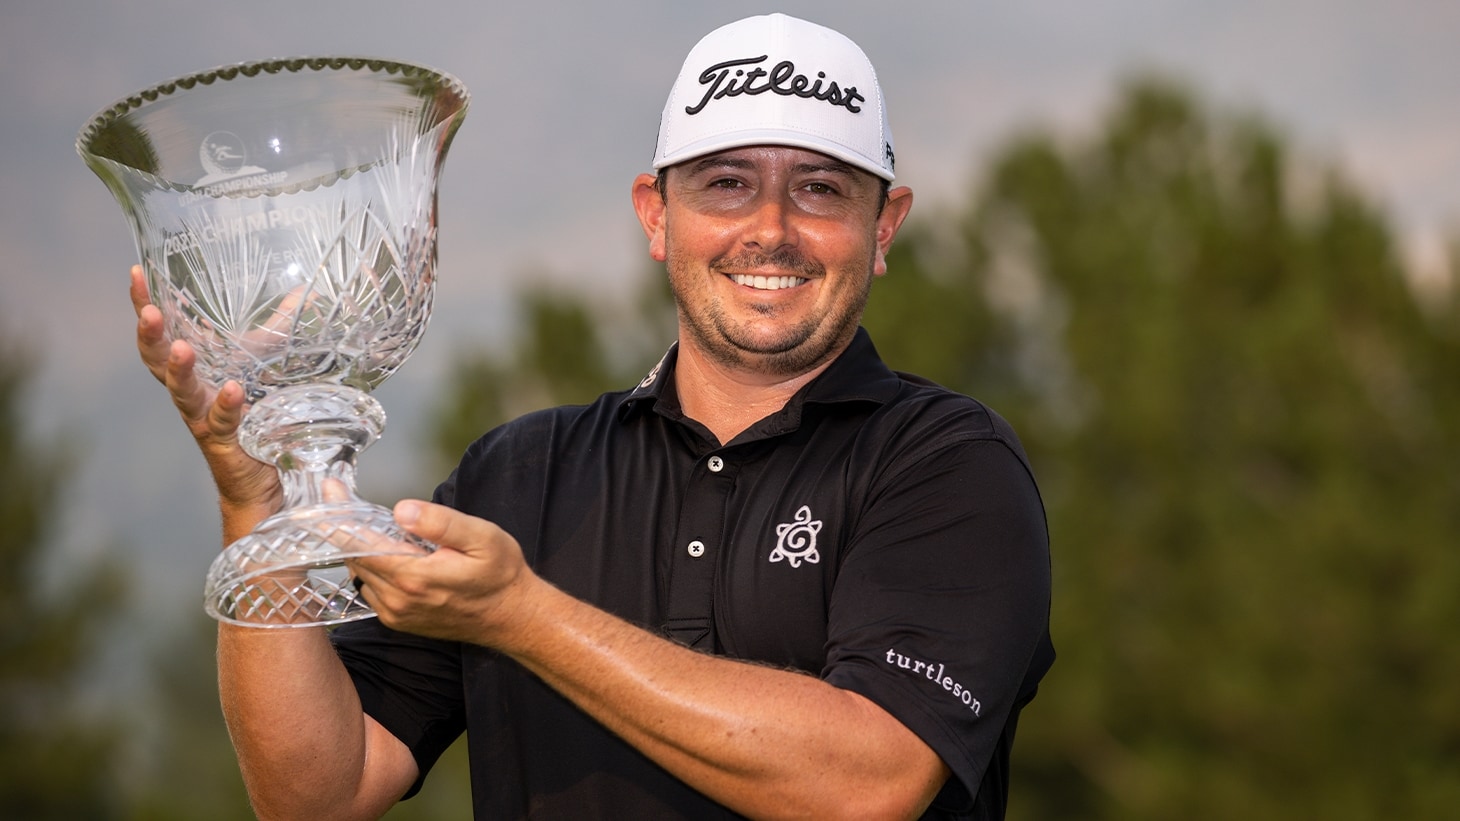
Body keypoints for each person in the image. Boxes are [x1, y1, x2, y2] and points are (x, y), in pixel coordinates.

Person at [131, 13, 1053, 820]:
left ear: (883, 226)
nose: (771, 228)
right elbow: (316, 795)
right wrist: (261, 506)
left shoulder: (947, 463)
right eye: (726, 183)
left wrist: (522, 615)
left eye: (820, 188)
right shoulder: (519, 474)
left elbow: (867, 784)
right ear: (656, 215)